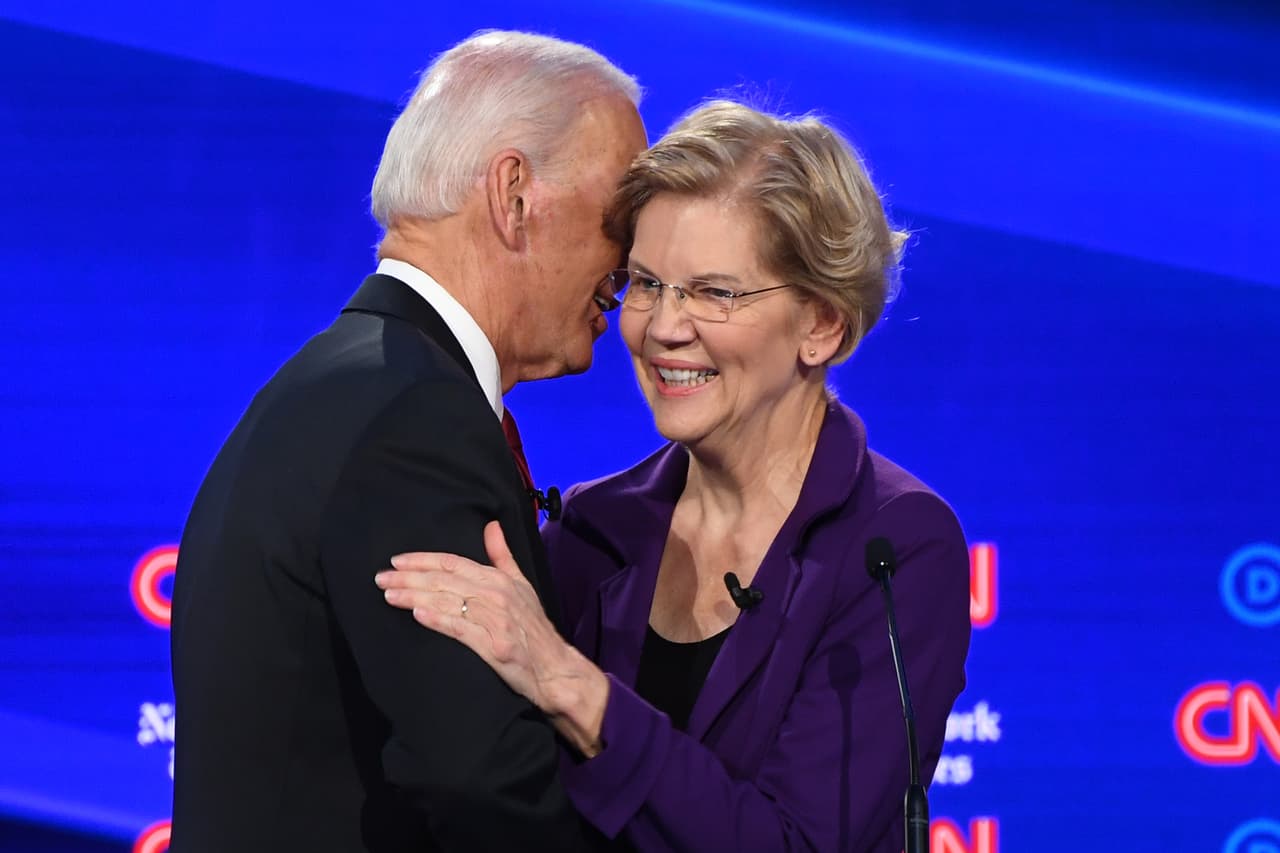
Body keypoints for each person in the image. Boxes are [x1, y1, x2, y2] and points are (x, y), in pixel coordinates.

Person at [375, 100, 972, 852]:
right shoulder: (589, 534)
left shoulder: (893, 549)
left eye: (714, 292)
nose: (662, 326)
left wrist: (578, 691)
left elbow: (801, 845)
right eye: (647, 283)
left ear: (822, 323)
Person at [169, 31, 646, 852]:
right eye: (621, 214)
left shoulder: (353, 382)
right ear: (515, 195)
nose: (631, 258)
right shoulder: (413, 420)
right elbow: (484, 782)